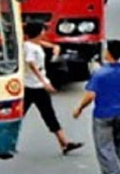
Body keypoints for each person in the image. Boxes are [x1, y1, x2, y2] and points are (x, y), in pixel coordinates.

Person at [74, 39, 120, 174]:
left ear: (108, 52)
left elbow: (91, 95)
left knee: (104, 146)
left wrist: (79, 108)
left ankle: (112, 171)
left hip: (103, 114)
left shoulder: (100, 73)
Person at [22, 22, 84, 155]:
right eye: (42, 31)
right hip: (33, 86)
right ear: (38, 33)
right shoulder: (30, 48)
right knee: (37, 114)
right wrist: (44, 81)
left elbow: (41, 44)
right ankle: (64, 143)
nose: (44, 33)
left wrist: (54, 46)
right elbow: (31, 64)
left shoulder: (31, 44)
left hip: (35, 86)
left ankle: (65, 143)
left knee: (47, 114)